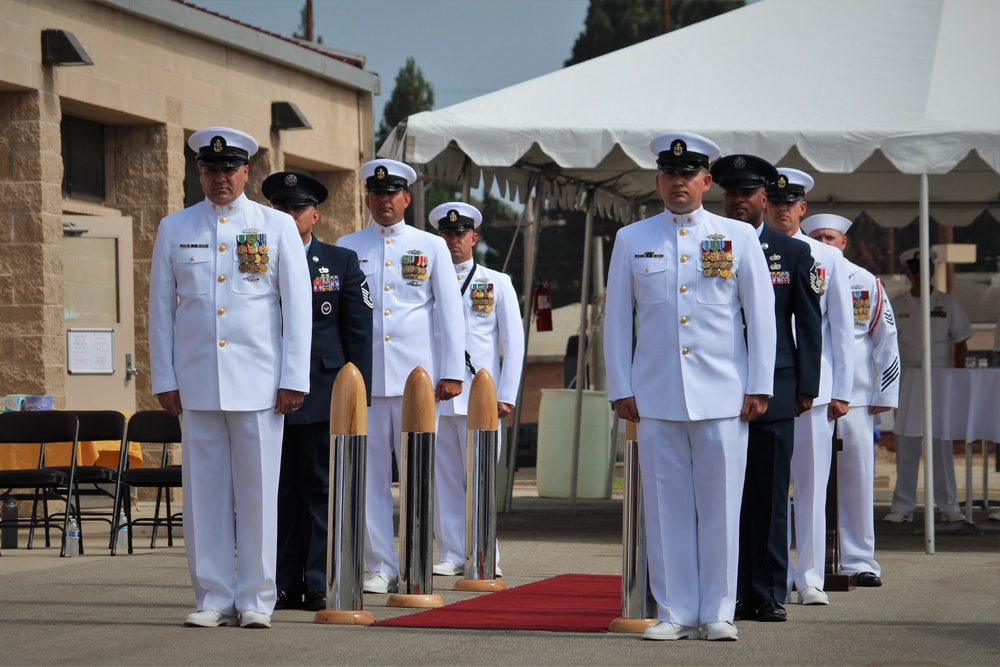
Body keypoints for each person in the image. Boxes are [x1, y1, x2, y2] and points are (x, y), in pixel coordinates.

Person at [604, 132, 776, 642]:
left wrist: (759, 383)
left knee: (722, 505)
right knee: (665, 506)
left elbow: (760, 316)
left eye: (689, 175)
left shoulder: (738, 237)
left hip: (724, 393)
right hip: (656, 394)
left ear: (706, 181)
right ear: (658, 181)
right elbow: (617, 320)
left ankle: (717, 611)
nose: (679, 183)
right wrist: (621, 385)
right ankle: (675, 611)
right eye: (670, 175)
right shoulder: (633, 239)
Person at [149, 127, 312, 629]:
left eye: (229, 169)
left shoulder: (276, 226)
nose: (220, 178)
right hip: (197, 383)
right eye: (211, 170)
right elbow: (159, 310)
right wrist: (164, 376)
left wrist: (294, 377)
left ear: (247, 172)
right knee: (204, 494)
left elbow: (296, 309)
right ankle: (213, 597)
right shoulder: (175, 227)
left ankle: (257, 599)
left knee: (260, 492)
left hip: (260, 383)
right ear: (199, 172)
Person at [336, 159, 466, 594]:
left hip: (418, 381)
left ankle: (419, 558)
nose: (383, 201)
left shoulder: (429, 246)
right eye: (375, 194)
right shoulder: (348, 246)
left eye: (391, 193)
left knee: (419, 473)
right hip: (366, 379)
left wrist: (450, 372)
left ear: (406, 198)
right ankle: (379, 564)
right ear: (367, 199)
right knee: (369, 475)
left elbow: (450, 313)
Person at [710, 155, 822, 624]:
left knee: (771, 496)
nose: (739, 201)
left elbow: (808, 323)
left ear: (765, 199)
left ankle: (769, 592)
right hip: (718, 389)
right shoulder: (709, 244)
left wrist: (807, 387)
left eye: (748, 194)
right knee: (725, 497)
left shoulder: (791, 252)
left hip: (775, 388)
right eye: (731, 193)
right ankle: (730, 592)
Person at [261, 171, 373, 612]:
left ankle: (318, 580)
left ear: (315, 214)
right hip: (267, 394)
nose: (289, 216)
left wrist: (356, 394)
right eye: (281, 209)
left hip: (323, 393)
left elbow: (358, 333)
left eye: (297, 209)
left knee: (318, 492)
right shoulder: (255, 259)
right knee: (278, 493)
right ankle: (282, 583)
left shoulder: (340, 261)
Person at [766, 167, 855, 606]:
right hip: (767, 386)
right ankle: (773, 573)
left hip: (814, 391)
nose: (782, 210)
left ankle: (811, 576)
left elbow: (842, 328)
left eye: (790, 204)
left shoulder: (828, 258)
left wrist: (842, 390)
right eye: (776, 202)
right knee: (767, 485)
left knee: (811, 483)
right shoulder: (754, 248)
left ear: (803, 208)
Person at [428, 202, 524, 577]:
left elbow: (513, 343)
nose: (454, 240)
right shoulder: (428, 281)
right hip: (439, 395)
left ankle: (486, 554)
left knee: (480, 477)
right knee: (445, 479)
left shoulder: (497, 282)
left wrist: (507, 394)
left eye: (460, 234)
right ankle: (452, 553)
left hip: (481, 396)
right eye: (447, 234)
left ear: (474, 237)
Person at [802, 213, 899, 587]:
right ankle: (806, 563)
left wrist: (885, 392)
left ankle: (860, 560)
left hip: (855, 397)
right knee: (806, 480)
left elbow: (885, 338)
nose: (824, 243)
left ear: (843, 243)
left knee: (857, 478)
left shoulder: (866, 281)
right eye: (817, 237)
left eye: (831, 237)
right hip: (809, 396)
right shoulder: (802, 273)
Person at [886, 248, 971, 523]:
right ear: (908, 274)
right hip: (908, 377)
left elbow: (961, 344)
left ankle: (948, 506)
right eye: (913, 270)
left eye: (923, 269)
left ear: (932, 271)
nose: (918, 275)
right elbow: (887, 347)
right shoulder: (897, 304)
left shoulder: (948, 303)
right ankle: (903, 507)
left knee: (940, 444)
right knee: (906, 442)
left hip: (939, 377)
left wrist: (959, 381)